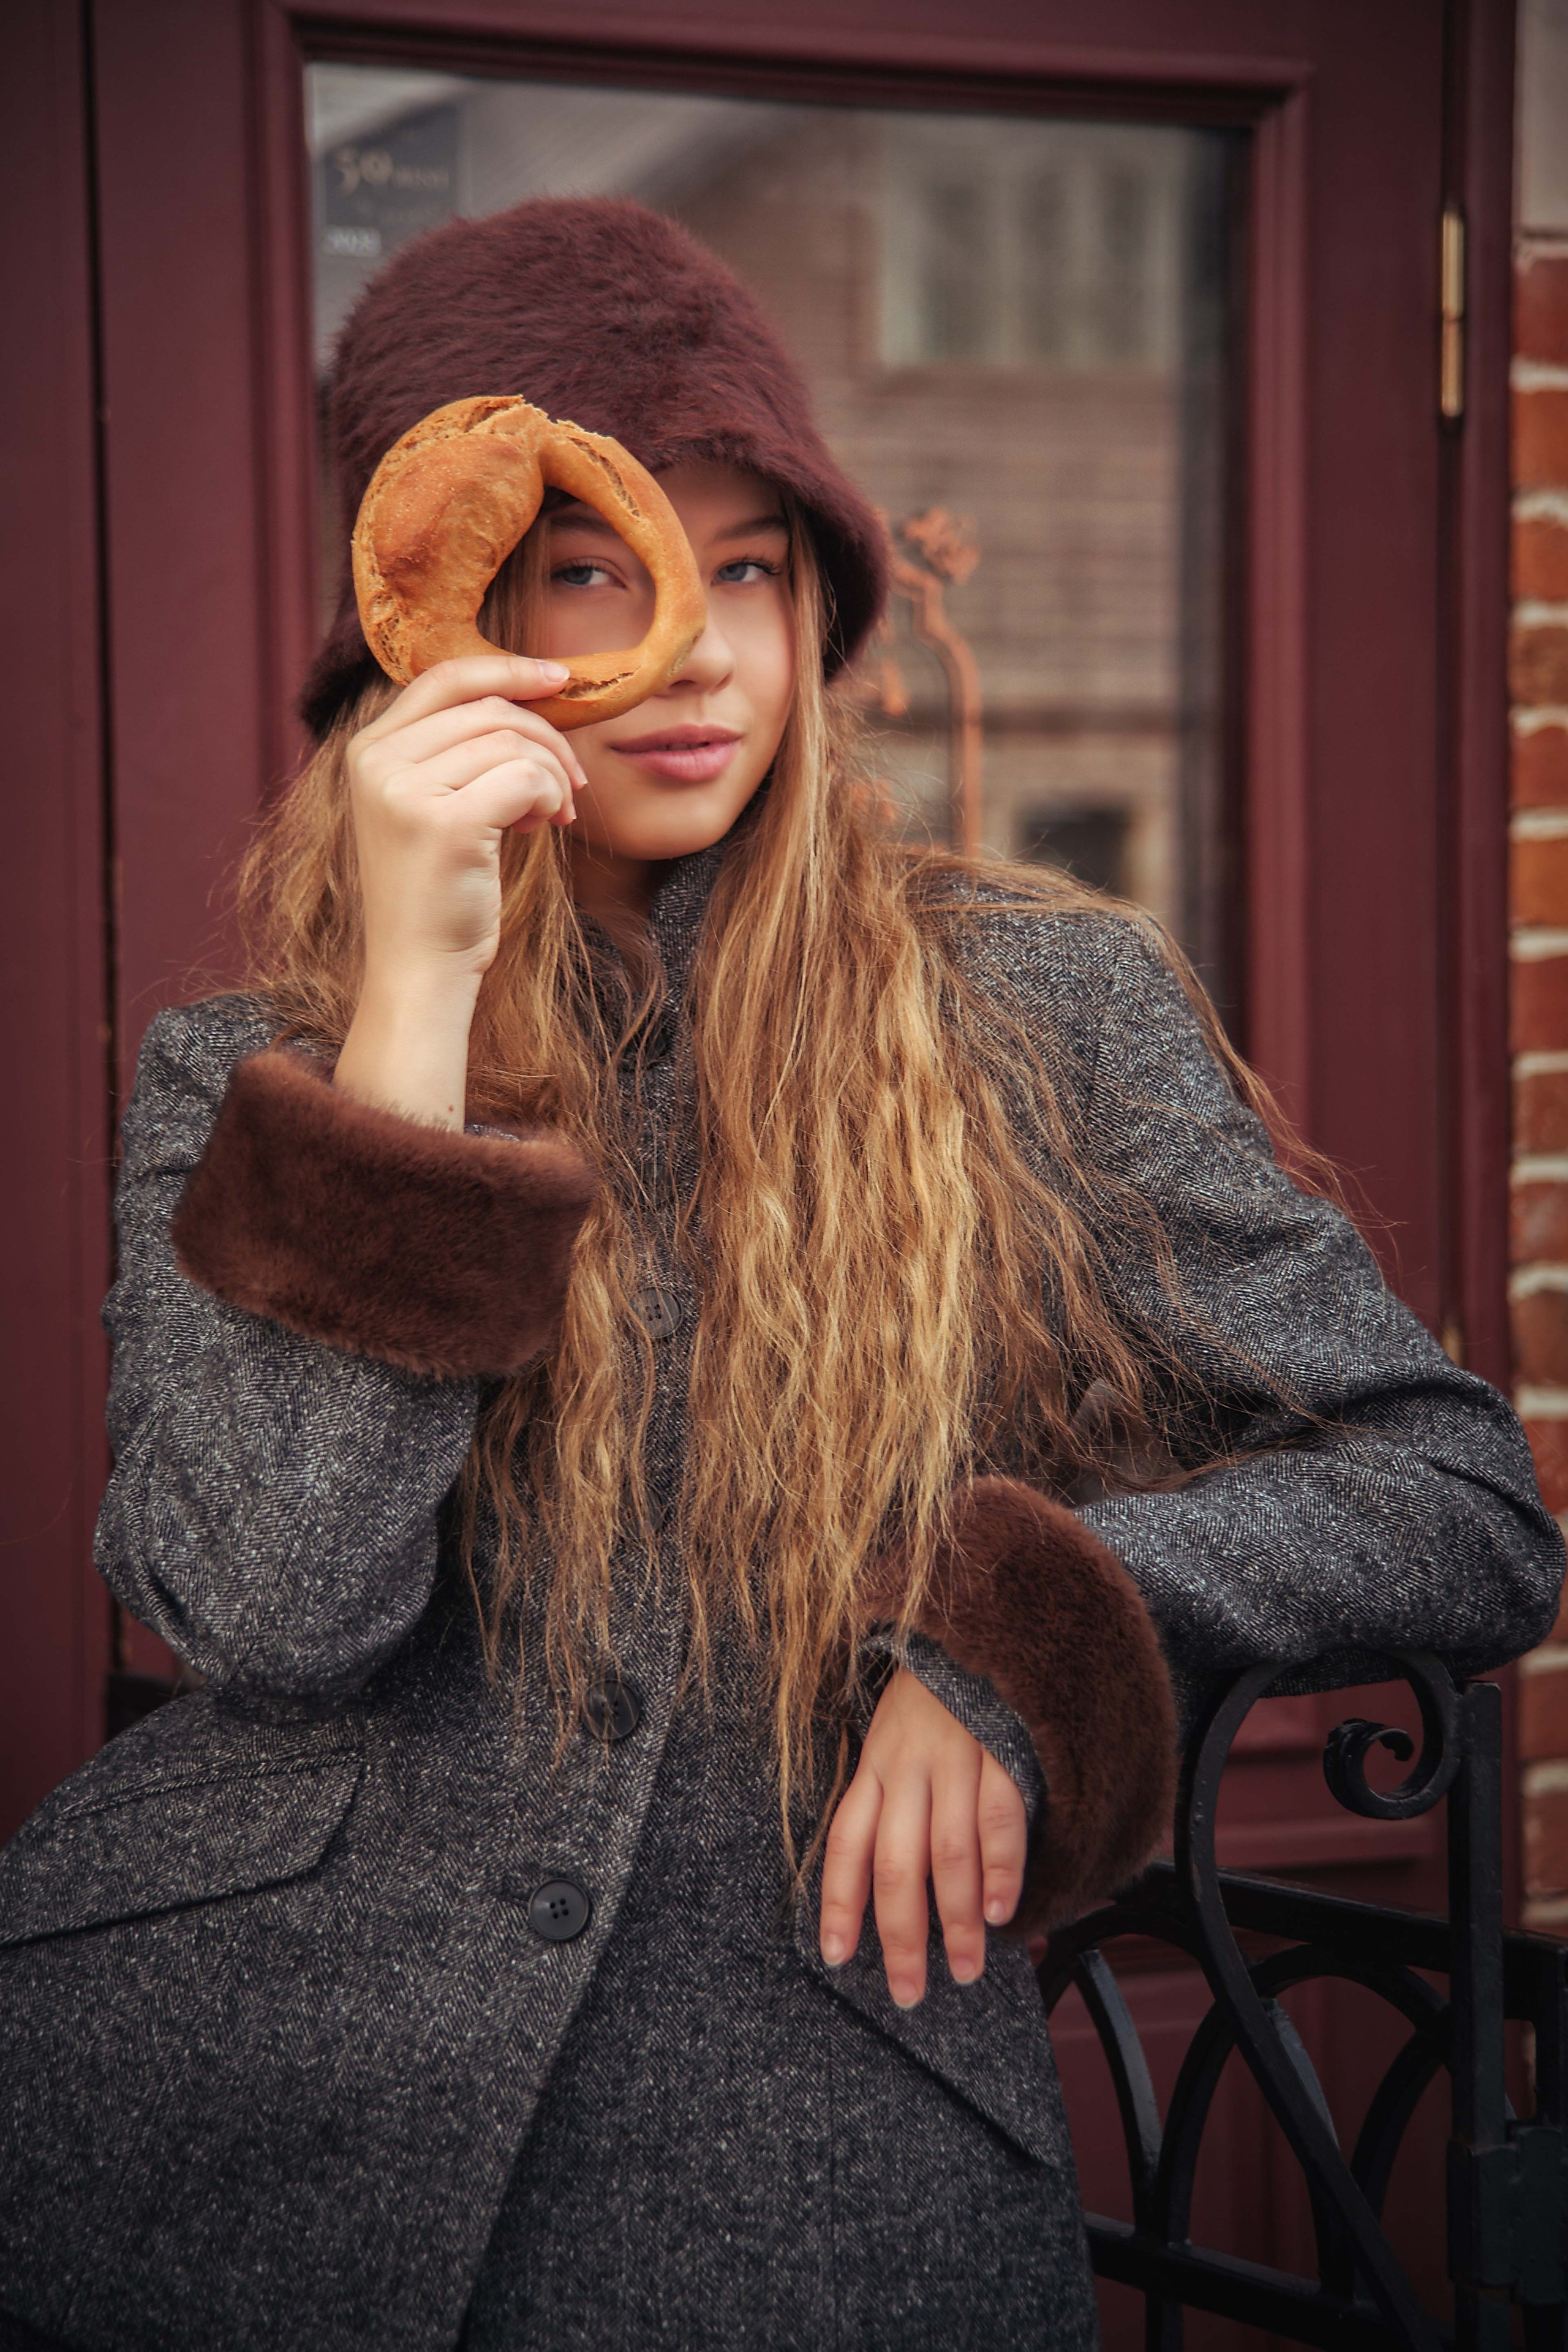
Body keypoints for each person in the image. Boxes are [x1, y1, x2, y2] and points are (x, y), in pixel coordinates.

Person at [0, 195, 1559, 2352]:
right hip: (228, 2119)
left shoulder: (1034, 1011)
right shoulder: (254, 1072)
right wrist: (412, 1031)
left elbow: (1458, 1497)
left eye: (751, 571)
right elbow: (268, 1607)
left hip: (814, 2148)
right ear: (436, 633)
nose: (703, 650)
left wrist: (1029, 1628)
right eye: (599, 575)